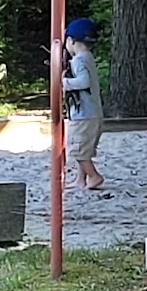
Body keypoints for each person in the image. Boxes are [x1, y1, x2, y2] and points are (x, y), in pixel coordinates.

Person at [61, 18, 105, 191]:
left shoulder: (79, 60)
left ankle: (94, 176)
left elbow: (84, 81)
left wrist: (64, 82)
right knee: (84, 149)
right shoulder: (88, 57)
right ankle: (81, 179)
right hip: (93, 112)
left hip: (84, 114)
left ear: (71, 40)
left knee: (76, 149)